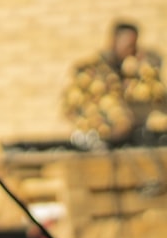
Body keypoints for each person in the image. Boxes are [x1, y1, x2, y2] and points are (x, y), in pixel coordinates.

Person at [61, 19, 167, 147]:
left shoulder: (132, 72)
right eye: (129, 45)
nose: (132, 50)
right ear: (115, 41)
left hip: (130, 141)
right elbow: (70, 108)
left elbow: (156, 98)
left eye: (134, 46)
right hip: (97, 141)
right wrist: (96, 124)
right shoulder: (89, 70)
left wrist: (146, 68)